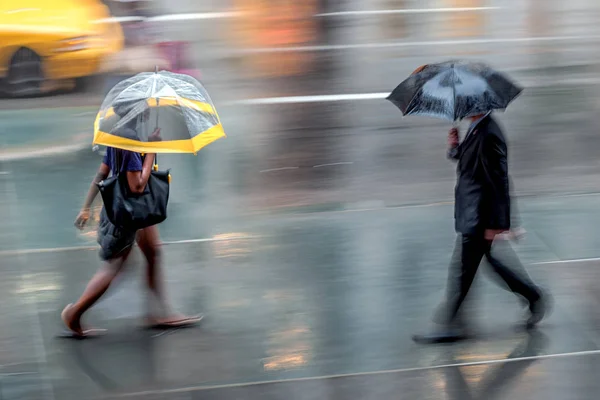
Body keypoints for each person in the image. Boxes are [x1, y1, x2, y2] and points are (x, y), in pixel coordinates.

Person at [62, 104, 200, 338]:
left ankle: (158, 313)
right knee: (114, 267)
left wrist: (85, 208)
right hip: (128, 212)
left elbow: (102, 172)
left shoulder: (119, 133)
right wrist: (151, 151)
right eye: (144, 107)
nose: (148, 110)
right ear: (136, 112)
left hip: (132, 209)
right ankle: (74, 313)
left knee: (153, 252)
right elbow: (137, 185)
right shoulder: (129, 139)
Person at [413, 112, 550, 344]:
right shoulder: (478, 127)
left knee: (463, 271)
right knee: (485, 264)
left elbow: (499, 180)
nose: (460, 110)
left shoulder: (489, 133)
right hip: (473, 211)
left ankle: (453, 324)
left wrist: (497, 223)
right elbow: (472, 163)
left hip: (480, 215)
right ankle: (533, 295)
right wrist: (455, 147)